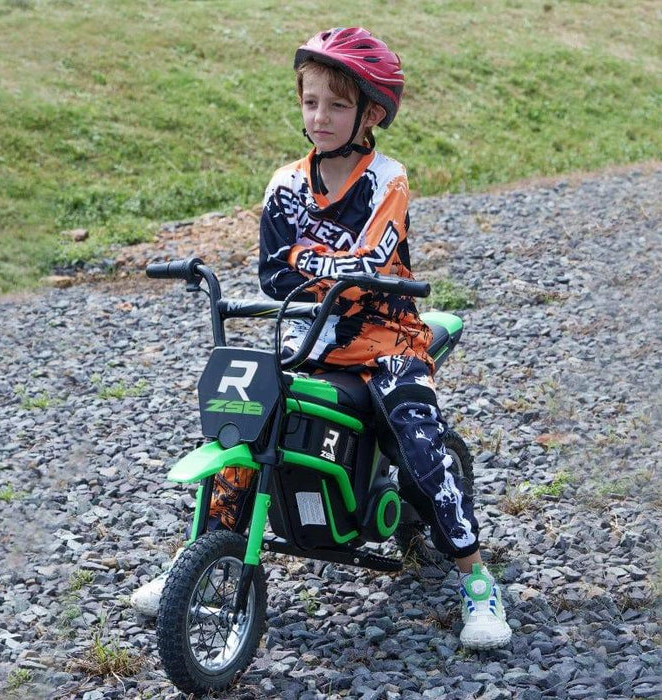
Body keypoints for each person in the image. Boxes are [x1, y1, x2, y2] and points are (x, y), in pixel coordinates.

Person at [132, 26, 511, 651]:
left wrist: (321, 265)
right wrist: (325, 270)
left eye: (337, 104)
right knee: (241, 419)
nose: (321, 116)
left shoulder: (386, 177)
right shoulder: (285, 183)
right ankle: (197, 555)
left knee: (418, 445)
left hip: (386, 337)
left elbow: (372, 259)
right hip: (312, 337)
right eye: (311, 102)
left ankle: (477, 582)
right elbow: (275, 271)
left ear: (371, 113)